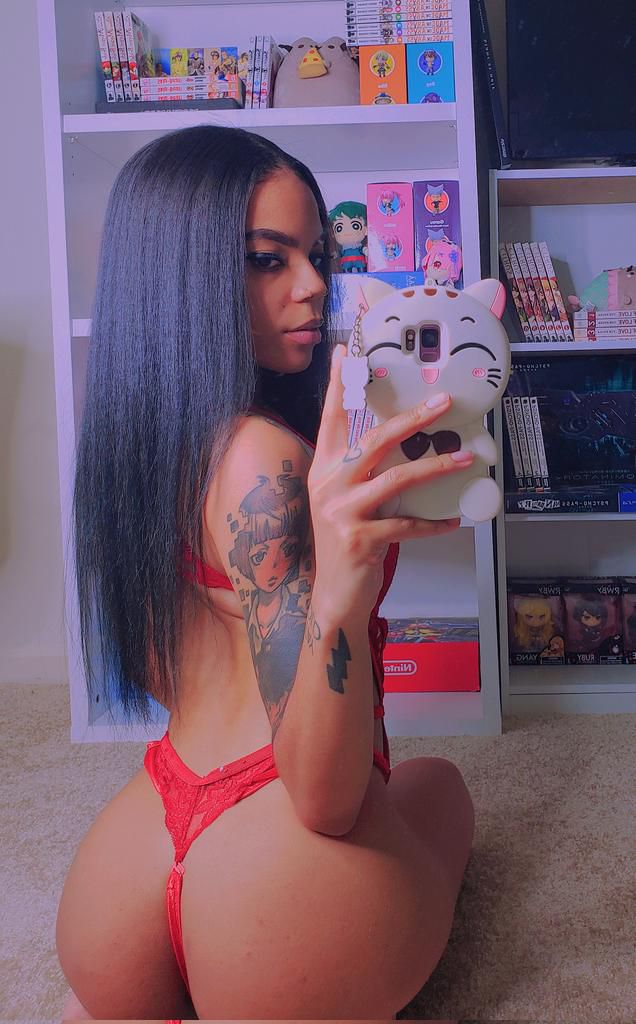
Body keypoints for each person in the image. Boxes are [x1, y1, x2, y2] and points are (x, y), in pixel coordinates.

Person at [57, 124, 475, 1021]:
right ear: (180, 276)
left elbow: (161, 672)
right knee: (443, 789)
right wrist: (343, 589)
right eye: (266, 259)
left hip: (131, 866)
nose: (315, 284)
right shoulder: (263, 459)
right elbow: (325, 800)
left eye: (318, 255)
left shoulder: (145, 439)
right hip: (274, 884)